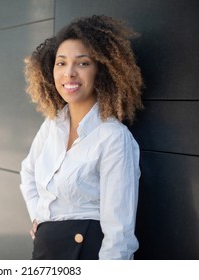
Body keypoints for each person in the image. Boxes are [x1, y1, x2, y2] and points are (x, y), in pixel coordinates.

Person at [20, 15, 144, 260]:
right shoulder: (52, 125)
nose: (69, 73)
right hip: (46, 250)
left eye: (83, 63)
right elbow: (28, 173)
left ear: (102, 71)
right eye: (61, 63)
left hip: (85, 253)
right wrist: (40, 216)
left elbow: (119, 233)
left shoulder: (113, 137)